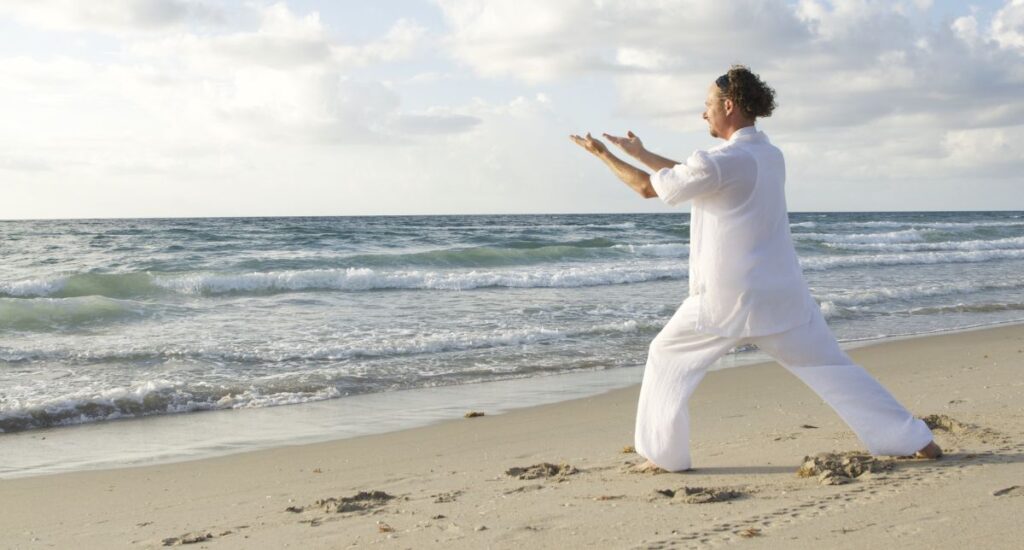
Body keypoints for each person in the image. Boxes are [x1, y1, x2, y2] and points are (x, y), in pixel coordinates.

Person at [569, 65, 941, 472]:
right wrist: (640, 153)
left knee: (665, 356)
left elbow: (648, 188)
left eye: (708, 104)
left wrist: (604, 155)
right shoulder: (766, 154)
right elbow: (701, 174)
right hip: (783, 296)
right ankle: (914, 439)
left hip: (727, 300)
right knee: (833, 369)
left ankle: (665, 456)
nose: (703, 113)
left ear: (728, 106)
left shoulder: (719, 162)